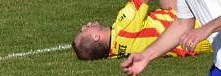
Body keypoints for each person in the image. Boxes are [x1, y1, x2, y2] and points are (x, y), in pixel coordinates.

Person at [73, 0, 211, 60]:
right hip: (199, 28)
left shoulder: (114, 52)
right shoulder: (125, 25)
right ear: (96, 37)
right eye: (83, 31)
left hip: (190, 42)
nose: (84, 26)